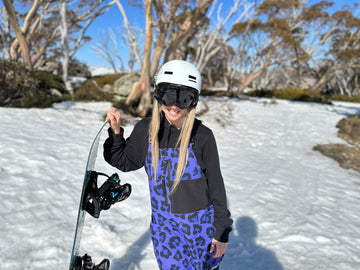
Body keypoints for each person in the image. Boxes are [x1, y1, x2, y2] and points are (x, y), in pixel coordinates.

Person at [103, 60, 233, 270]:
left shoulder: (202, 137)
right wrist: (116, 132)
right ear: (158, 95)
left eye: (184, 98)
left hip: (199, 230)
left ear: (193, 101)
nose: (174, 105)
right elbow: (124, 161)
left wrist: (222, 231)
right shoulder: (147, 129)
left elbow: (216, 186)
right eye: (169, 95)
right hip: (165, 230)